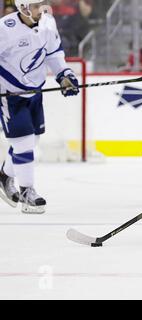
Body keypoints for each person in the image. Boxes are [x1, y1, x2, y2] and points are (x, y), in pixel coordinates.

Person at [0, 0, 79, 214]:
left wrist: (64, 76)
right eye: (36, 5)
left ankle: (5, 176)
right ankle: (27, 191)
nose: (42, 8)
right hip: (10, 95)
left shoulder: (47, 23)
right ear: (23, 7)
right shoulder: (4, 29)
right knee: (23, 141)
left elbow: (53, 53)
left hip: (35, 92)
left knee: (30, 141)